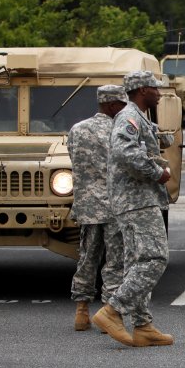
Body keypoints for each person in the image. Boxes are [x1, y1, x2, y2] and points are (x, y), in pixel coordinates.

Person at [92, 71, 174, 347]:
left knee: (137, 263)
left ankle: (143, 324)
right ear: (141, 90)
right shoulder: (130, 117)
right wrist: (156, 172)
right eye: (155, 88)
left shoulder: (138, 117)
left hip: (134, 200)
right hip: (137, 200)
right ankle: (113, 311)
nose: (159, 92)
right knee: (155, 258)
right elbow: (124, 152)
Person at [66, 84, 127, 331]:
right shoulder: (119, 130)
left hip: (88, 206)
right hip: (115, 205)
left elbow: (74, 161)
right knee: (114, 262)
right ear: (113, 105)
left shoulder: (77, 129)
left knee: (87, 258)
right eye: (122, 104)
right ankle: (107, 314)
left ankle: (81, 311)